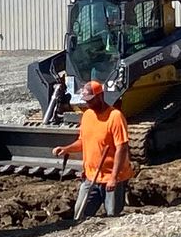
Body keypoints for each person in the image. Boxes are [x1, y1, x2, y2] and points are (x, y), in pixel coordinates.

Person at [52, 79, 135, 222]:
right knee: (80, 215)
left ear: (100, 96)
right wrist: (66, 149)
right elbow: (83, 141)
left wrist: (114, 178)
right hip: (91, 177)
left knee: (112, 218)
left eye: (90, 100)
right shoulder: (87, 116)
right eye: (85, 100)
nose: (87, 103)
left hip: (112, 178)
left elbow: (122, 148)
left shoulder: (115, 117)